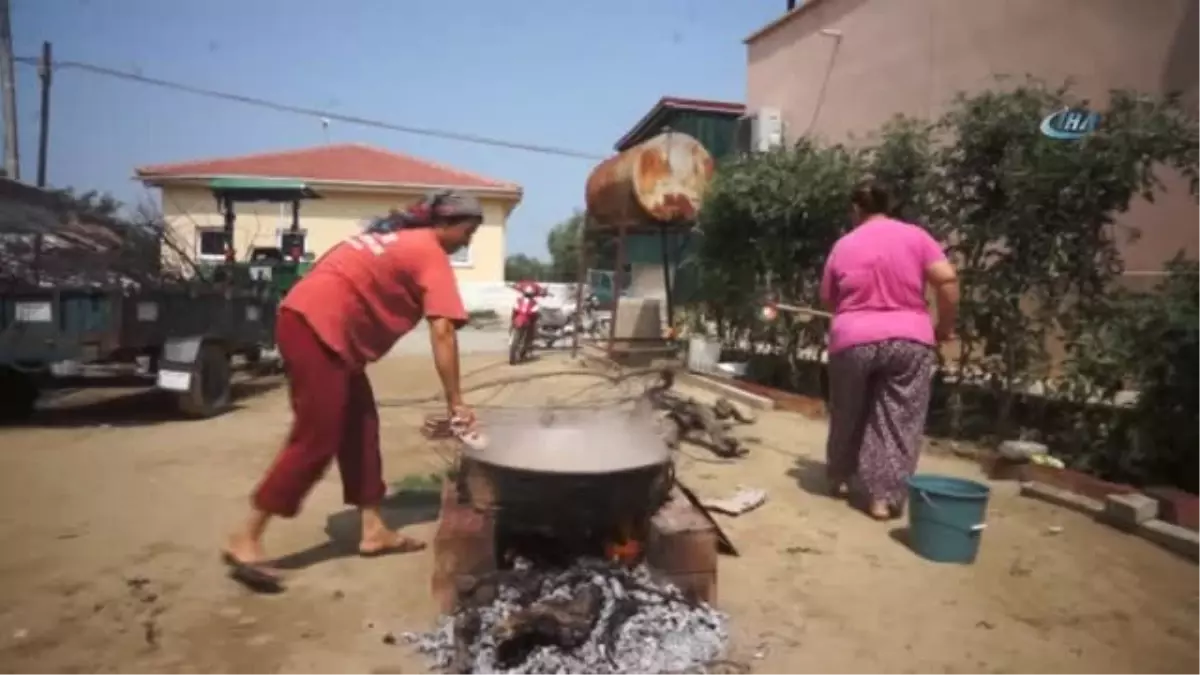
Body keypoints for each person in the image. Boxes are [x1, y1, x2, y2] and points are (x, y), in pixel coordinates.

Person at [221, 189, 483, 592]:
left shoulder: (398, 239)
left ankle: (373, 528)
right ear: (444, 224)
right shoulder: (429, 251)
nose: (469, 240)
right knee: (317, 437)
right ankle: (247, 537)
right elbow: (443, 331)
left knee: (361, 426)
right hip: (316, 329)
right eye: (468, 230)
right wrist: (456, 403)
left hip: (315, 323)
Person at [819, 181, 960, 521]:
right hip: (909, 339)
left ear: (856, 210)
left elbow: (828, 298)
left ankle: (839, 477)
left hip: (853, 339)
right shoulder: (917, 236)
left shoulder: (844, 245)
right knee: (897, 419)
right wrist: (944, 327)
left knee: (848, 411)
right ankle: (881, 498)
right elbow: (948, 280)